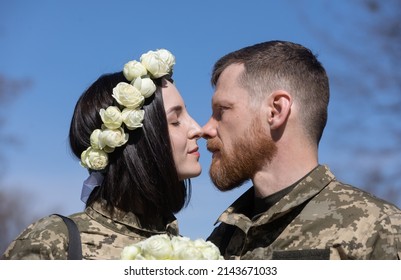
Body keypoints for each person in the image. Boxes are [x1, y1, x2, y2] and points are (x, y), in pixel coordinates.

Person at [202, 40, 401, 260]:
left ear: (276, 111)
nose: (206, 129)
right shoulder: (220, 241)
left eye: (222, 110)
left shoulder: (380, 231)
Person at [2, 49, 203, 260]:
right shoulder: (56, 242)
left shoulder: (188, 254)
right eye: (175, 121)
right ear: (133, 140)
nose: (197, 129)